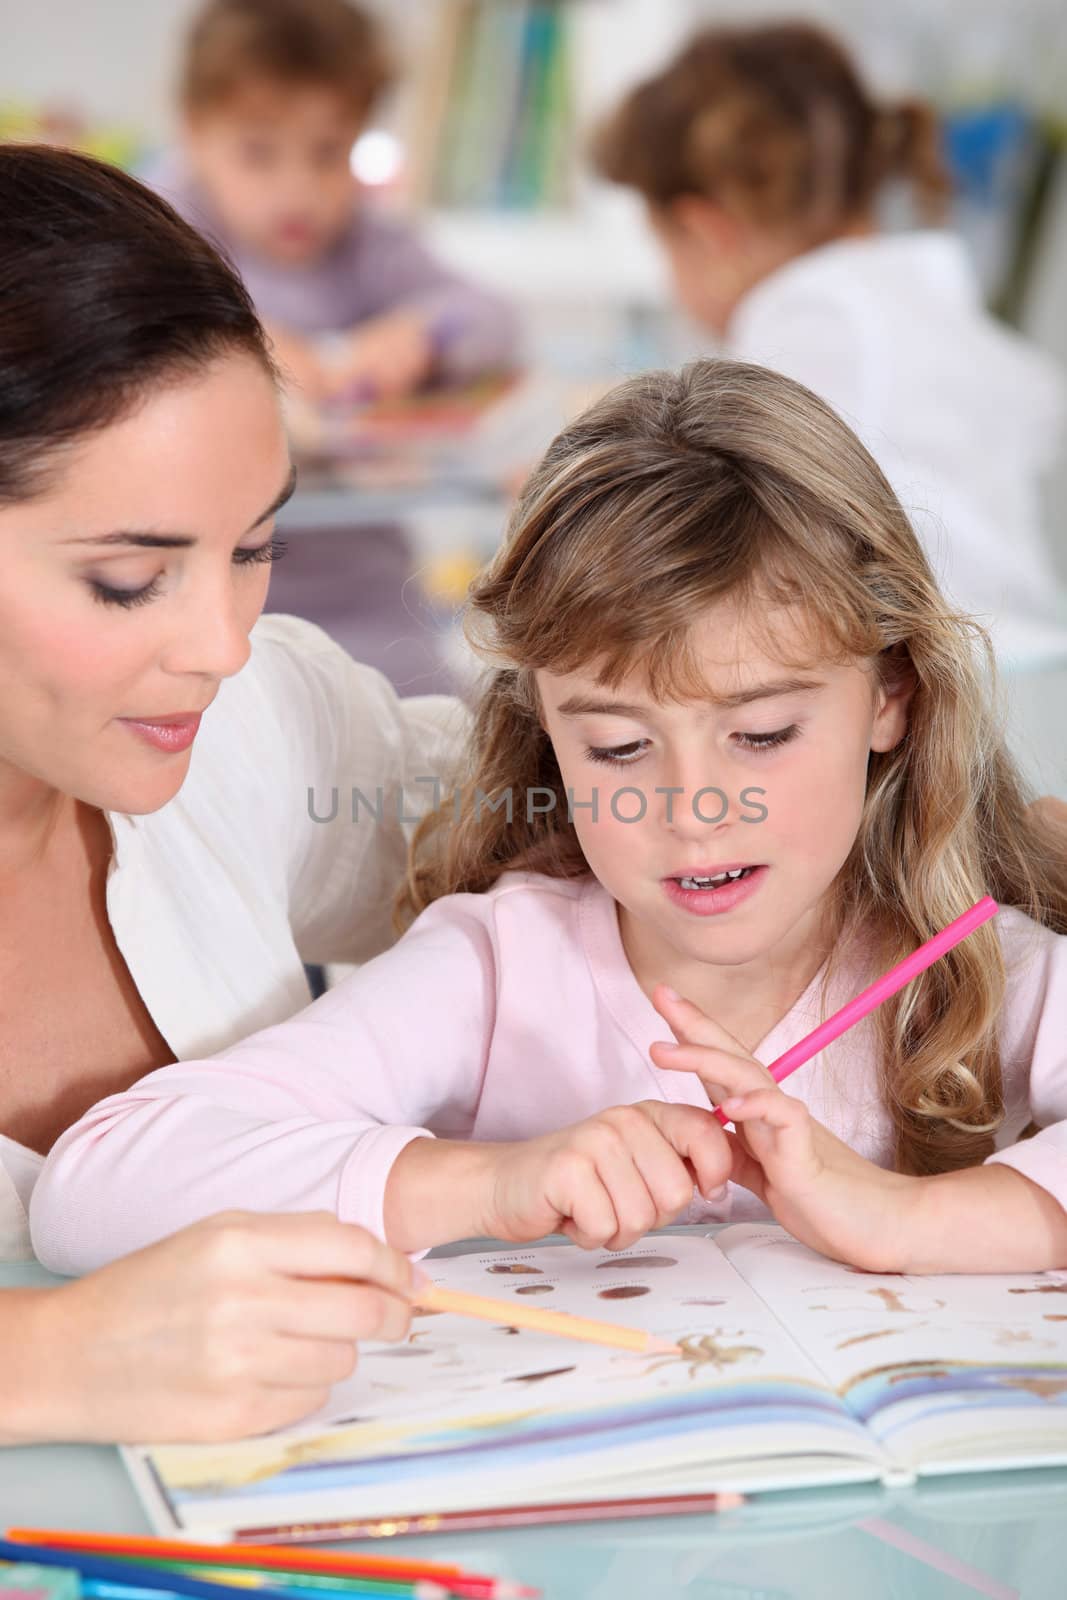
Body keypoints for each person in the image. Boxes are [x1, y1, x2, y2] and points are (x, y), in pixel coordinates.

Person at [34, 359, 1067, 1283]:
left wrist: (908, 1215)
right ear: (548, 733)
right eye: (617, 748)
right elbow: (93, 1190)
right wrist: (488, 1182)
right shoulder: (498, 970)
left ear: (889, 697)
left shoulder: (968, 967)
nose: (690, 808)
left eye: (759, 734)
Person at [0, 144, 463, 1441]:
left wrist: (959, 822)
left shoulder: (242, 726)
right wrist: (46, 1361)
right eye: (128, 579)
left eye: (255, 547)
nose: (218, 641)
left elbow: (552, 807)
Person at [592, 21, 1067, 662]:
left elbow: (722, 531)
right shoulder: (920, 299)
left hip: (951, 686)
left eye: (664, 245)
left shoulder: (808, 320)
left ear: (706, 232)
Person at [151, 0, 519, 406]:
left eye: (328, 152)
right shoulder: (159, 228)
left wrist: (422, 336)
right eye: (258, 153)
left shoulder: (370, 242)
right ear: (193, 134)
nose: (298, 190)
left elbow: (494, 316)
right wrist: (229, 338)